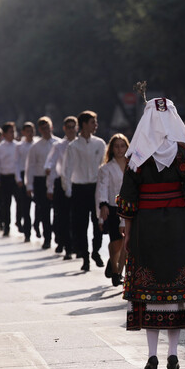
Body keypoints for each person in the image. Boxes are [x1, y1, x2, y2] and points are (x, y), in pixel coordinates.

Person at [116, 97, 185, 369]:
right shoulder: (183, 154)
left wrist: (128, 234)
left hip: (146, 228)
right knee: (176, 294)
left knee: (149, 293)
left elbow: (129, 201)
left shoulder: (136, 156)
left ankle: (152, 355)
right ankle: (173, 354)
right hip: (178, 226)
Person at [62, 111, 106, 271]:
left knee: (99, 222)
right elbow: (67, 169)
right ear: (85, 124)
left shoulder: (100, 144)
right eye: (93, 122)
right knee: (81, 224)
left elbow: (104, 166)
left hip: (95, 187)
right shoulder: (73, 146)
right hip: (79, 188)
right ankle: (85, 257)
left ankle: (96, 251)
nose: (96, 125)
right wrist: (67, 189)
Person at [96, 133, 129, 286]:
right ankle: (115, 272)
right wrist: (102, 206)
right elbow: (102, 187)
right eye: (116, 146)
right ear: (111, 148)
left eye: (122, 145)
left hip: (130, 208)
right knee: (116, 241)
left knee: (127, 243)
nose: (119, 149)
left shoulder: (133, 166)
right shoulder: (106, 168)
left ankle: (118, 270)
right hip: (112, 207)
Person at [45, 116, 78, 260]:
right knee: (62, 217)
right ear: (64, 128)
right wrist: (50, 187)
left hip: (77, 183)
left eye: (73, 127)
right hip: (61, 183)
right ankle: (67, 247)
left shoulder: (80, 145)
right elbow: (50, 164)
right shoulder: (58, 146)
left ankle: (78, 246)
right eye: (68, 127)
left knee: (76, 217)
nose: (71, 130)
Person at [25, 117, 59, 249]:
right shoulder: (36, 147)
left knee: (58, 211)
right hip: (40, 180)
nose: (45, 130)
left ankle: (59, 236)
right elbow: (30, 166)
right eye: (43, 128)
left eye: (47, 127)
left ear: (51, 127)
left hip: (56, 180)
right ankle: (47, 238)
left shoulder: (59, 143)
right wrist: (29, 185)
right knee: (44, 210)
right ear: (39, 130)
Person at [0, 122, 22, 237]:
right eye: (10, 132)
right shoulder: (0, 148)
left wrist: (19, 178)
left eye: (13, 131)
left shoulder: (18, 146)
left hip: (15, 177)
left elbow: (19, 163)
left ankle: (19, 220)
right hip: (4, 178)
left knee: (20, 201)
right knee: (6, 203)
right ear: (4, 134)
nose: (12, 134)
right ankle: (6, 226)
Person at [16, 122, 35, 241]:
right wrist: (18, 178)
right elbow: (16, 163)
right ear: (23, 132)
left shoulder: (37, 144)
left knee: (39, 206)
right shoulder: (19, 146)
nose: (30, 133)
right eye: (27, 131)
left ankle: (37, 226)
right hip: (23, 175)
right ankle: (27, 232)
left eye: (32, 130)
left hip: (37, 175)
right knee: (25, 205)